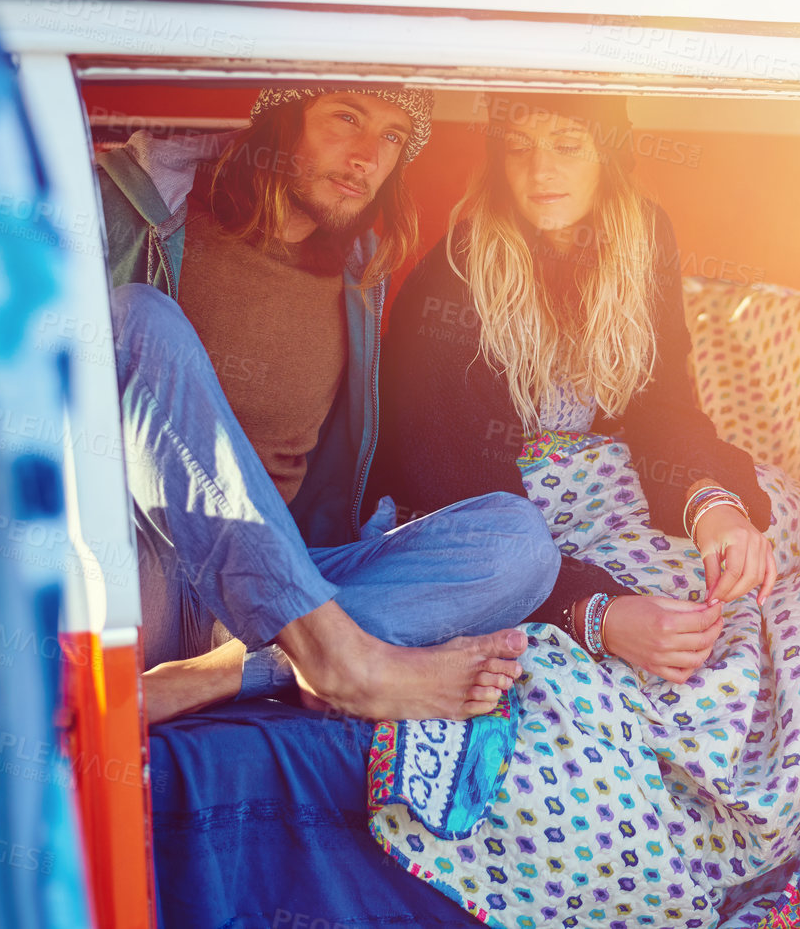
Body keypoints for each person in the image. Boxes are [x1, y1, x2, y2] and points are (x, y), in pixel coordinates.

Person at [96, 85, 559, 724]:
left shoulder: (361, 270)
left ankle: (216, 677)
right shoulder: (134, 208)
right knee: (136, 316)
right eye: (347, 118)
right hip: (141, 564)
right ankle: (339, 660)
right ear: (284, 120)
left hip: (266, 598)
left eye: (394, 137)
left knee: (521, 542)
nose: (368, 155)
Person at [370, 92, 778, 683]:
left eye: (567, 145)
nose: (540, 172)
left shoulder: (642, 238)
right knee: (629, 652)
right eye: (519, 147)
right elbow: (454, 492)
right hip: (489, 525)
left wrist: (710, 501)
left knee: (750, 543)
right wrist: (595, 611)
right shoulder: (458, 275)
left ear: (607, 157)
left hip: (595, 493)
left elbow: (660, 403)